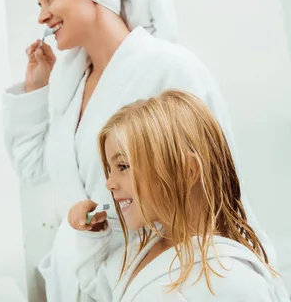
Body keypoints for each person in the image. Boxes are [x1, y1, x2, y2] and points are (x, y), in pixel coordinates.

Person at [2, 0, 276, 302]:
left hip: (159, 277)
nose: (42, 15)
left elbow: (217, 186)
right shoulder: (69, 86)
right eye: (39, 2)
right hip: (84, 270)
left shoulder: (171, 69)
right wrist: (36, 91)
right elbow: (30, 169)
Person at [66, 90, 288, 301]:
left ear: (187, 170)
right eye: (110, 170)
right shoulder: (145, 251)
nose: (109, 183)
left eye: (123, 166)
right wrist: (93, 235)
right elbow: (99, 289)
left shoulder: (231, 281)